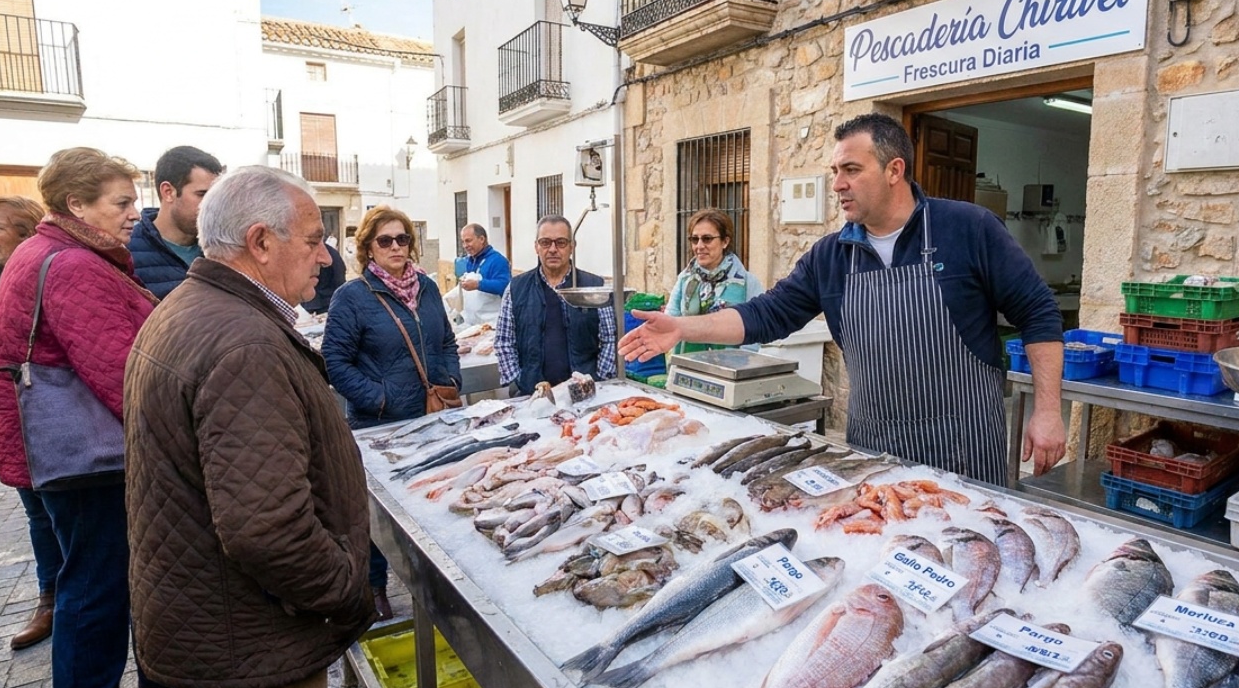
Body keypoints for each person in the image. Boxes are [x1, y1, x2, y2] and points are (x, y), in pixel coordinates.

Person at [621, 114, 1066, 485]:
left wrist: (1047, 411)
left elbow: (1038, 310)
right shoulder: (831, 255)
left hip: (963, 446)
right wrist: (682, 327)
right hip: (873, 447)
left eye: (851, 170)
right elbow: (767, 314)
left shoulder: (969, 228)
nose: (837, 184)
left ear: (894, 170)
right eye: (835, 171)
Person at [123, 166, 373, 688]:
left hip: (217, 628)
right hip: (251, 645)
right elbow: (267, 528)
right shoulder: (244, 344)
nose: (325, 255)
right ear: (261, 242)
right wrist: (347, 590)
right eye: (314, 239)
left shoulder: (194, 307)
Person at [0, 148, 160, 688]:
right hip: (86, 456)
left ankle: (135, 676)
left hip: (73, 453)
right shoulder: (71, 265)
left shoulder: (57, 253)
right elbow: (122, 374)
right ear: (76, 205)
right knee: (95, 579)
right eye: (121, 202)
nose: (133, 214)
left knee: (103, 570)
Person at [324, 205, 457, 620]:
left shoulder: (429, 289)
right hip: (379, 424)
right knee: (375, 519)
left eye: (402, 239)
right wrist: (380, 398)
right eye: (385, 240)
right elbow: (335, 361)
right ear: (368, 247)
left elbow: (447, 341)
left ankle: (437, 586)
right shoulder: (352, 296)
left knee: (433, 500)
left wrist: (451, 378)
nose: (396, 247)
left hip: (431, 419)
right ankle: (376, 587)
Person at [0, 196, 57, 650]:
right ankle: (50, 599)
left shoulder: (46, 270)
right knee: (36, 513)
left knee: (67, 515)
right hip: (8, 415)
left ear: (26, 232)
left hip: (49, 414)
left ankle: (72, 598)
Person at [494, 216, 617, 395]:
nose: (552, 249)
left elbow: (610, 337)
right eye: (545, 242)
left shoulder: (593, 286)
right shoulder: (516, 288)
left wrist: (599, 377)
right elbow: (504, 341)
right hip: (533, 394)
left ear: (572, 246)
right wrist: (518, 380)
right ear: (536, 246)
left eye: (560, 242)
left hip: (585, 393)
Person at [128, 145, 224, 298]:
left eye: (215, 196)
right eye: (202, 194)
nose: (211, 204)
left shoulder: (225, 249)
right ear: (168, 192)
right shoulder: (127, 254)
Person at [665, 208, 765, 354]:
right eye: (694, 239)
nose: (699, 246)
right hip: (689, 367)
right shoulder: (685, 279)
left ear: (725, 241)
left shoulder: (747, 283)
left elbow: (756, 329)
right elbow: (670, 321)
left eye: (707, 239)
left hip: (730, 369)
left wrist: (743, 366)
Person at [453, 223, 510, 324]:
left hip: (492, 323)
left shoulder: (498, 261)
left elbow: (505, 286)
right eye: (463, 242)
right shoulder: (469, 261)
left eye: (468, 241)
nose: (465, 246)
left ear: (482, 239)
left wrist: (478, 284)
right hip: (472, 322)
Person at [301, 241, 346, 313]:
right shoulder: (331, 253)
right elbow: (340, 278)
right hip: (327, 299)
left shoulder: (323, 253)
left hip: (319, 300)